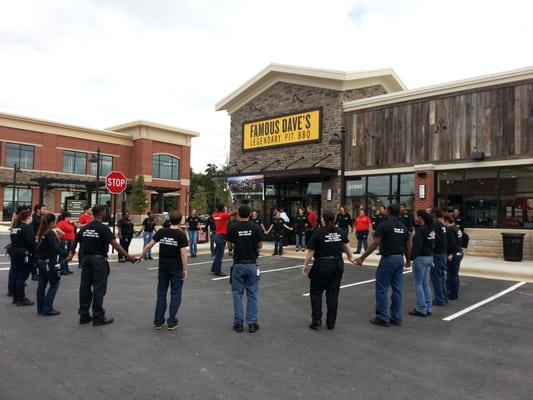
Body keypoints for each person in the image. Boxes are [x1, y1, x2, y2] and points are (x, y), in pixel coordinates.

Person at [68, 205, 137, 326]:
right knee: (99, 288)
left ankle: (84, 315)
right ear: (101, 213)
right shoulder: (103, 229)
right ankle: (98, 316)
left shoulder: (86, 228)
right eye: (105, 211)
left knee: (84, 287)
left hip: (86, 260)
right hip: (99, 261)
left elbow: (75, 240)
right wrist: (128, 256)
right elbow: (115, 245)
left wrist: (71, 253)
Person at [356, 204, 411, 327]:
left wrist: (362, 258)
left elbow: (375, 243)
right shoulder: (403, 227)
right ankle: (396, 317)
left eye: (386, 209)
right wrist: (408, 260)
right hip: (399, 259)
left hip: (388, 259)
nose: (384, 211)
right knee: (397, 289)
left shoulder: (384, 225)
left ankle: (382, 317)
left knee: (382, 288)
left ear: (389, 211)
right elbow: (408, 245)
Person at [303, 210, 356, 330]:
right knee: (333, 293)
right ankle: (331, 322)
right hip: (337, 264)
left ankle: (316, 321)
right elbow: (346, 246)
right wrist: (350, 258)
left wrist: (305, 265)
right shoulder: (339, 231)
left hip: (322, 264)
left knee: (316, 292)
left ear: (323, 219)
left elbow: (311, 251)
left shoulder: (318, 232)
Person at [142, 211, 189, 330]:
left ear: (169, 219)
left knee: (161, 294)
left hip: (163, 268)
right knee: (175, 294)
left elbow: (148, 246)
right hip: (176, 269)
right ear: (180, 221)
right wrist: (185, 269)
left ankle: (158, 321)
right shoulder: (181, 235)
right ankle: (172, 321)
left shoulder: (162, 232)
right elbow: (183, 254)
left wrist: (140, 257)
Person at [226, 205, 263, 333]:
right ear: (249, 215)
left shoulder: (233, 227)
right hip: (252, 264)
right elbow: (260, 245)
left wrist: (235, 244)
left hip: (238, 264)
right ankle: (252, 323)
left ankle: (238, 323)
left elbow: (229, 246)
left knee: (237, 294)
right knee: (252, 294)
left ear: (238, 215)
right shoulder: (256, 227)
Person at [408, 210, 435, 318]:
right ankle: (428, 307)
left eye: (417, 217)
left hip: (421, 259)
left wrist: (410, 258)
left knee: (418, 284)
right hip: (429, 257)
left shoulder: (421, 230)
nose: (416, 219)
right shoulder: (431, 229)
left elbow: (417, 246)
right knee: (425, 283)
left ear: (421, 218)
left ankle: (421, 308)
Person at [35, 213, 62, 316]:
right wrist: (64, 252)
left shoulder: (41, 233)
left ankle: (40, 308)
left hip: (41, 261)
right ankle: (47, 308)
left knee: (41, 285)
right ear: (51, 223)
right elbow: (55, 249)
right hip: (49, 262)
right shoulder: (50, 233)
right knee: (54, 284)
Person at [10, 208, 36, 306]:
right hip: (24, 253)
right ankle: (21, 298)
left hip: (14, 252)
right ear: (28, 217)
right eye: (31, 217)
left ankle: (15, 297)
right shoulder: (26, 227)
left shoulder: (15, 226)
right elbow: (31, 243)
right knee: (22, 277)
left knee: (16, 275)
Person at [210, 204, 237, 277]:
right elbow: (234, 212)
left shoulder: (215, 215)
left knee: (218, 254)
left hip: (217, 235)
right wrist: (235, 206)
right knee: (220, 255)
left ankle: (214, 268)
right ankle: (217, 271)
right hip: (221, 237)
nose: (225, 209)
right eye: (224, 208)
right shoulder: (223, 215)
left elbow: (215, 213)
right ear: (222, 209)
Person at [430, 209, 448, 306]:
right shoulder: (441, 224)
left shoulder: (435, 224)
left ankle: (439, 299)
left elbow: (434, 239)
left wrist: (430, 248)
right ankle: (444, 298)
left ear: (434, 214)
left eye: (430, 212)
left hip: (437, 254)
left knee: (436, 277)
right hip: (443, 253)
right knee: (441, 277)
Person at [444, 216, 463, 300]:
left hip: (454, 254)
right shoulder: (457, 228)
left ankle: (453, 294)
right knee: (454, 274)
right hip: (459, 252)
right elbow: (464, 237)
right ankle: (450, 289)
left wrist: (450, 253)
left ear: (447, 221)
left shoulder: (450, 230)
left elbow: (451, 243)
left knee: (452, 275)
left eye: (444, 222)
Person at [31, 203, 46, 281]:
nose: (44, 210)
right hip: (35, 241)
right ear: (38, 210)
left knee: (40, 257)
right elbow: (31, 230)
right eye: (43, 209)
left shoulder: (42, 217)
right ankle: (34, 274)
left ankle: (39, 272)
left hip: (41, 240)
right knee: (35, 258)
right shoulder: (33, 218)